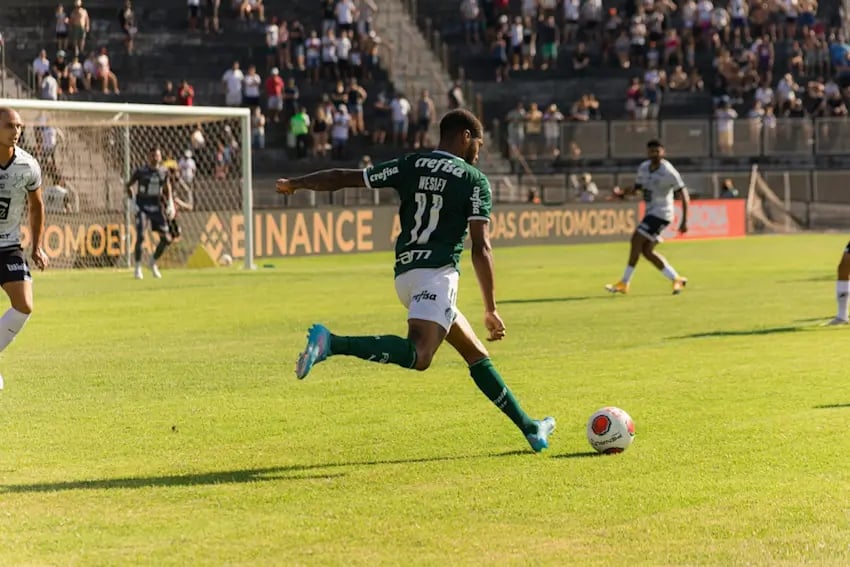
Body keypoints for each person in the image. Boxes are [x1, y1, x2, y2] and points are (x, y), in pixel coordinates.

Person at [275, 109, 556, 453]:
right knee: (421, 356)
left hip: (405, 275)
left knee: (475, 353)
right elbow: (481, 247)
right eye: (478, 144)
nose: (478, 153)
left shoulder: (410, 163)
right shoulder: (473, 179)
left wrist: (297, 183)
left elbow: (341, 177)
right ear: (466, 136)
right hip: (437, 276)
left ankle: (530, 428)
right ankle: (331, 342)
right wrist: (491, 308)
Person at [0, 108, 49, 389]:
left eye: (19, 126)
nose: (15, 131)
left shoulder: (28, 166)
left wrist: (37, 246)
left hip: (8, 244)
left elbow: (37, 206)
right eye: (9, 125)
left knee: (24, 304)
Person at [605, 139, 690, 295]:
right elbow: (637, 189)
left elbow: (684, 194)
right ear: (647, 152)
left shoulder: (669, 171)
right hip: (651, 212)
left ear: (663, 152)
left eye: (657, 151)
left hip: (662, 213)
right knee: (646, 251)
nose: (654, 154)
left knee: (636, 239)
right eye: (651, 151)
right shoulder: (644, 168)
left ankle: (624, 282)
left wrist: (684, 221)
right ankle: (676, 278)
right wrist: (622, 194)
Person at [125, 147, 173, 280]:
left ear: (160, 156)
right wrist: (132, 201)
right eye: (152, 156)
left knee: (167, 239)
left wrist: (170, 203)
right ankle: (138, 267)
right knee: (140, 235)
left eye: (157, 156)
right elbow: (128, 185)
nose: (155, 158)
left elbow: (167, 186)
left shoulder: (164, 171)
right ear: (148, 157)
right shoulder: (141, 171)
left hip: (156, 208)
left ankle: (152, 261)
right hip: (142, 207)